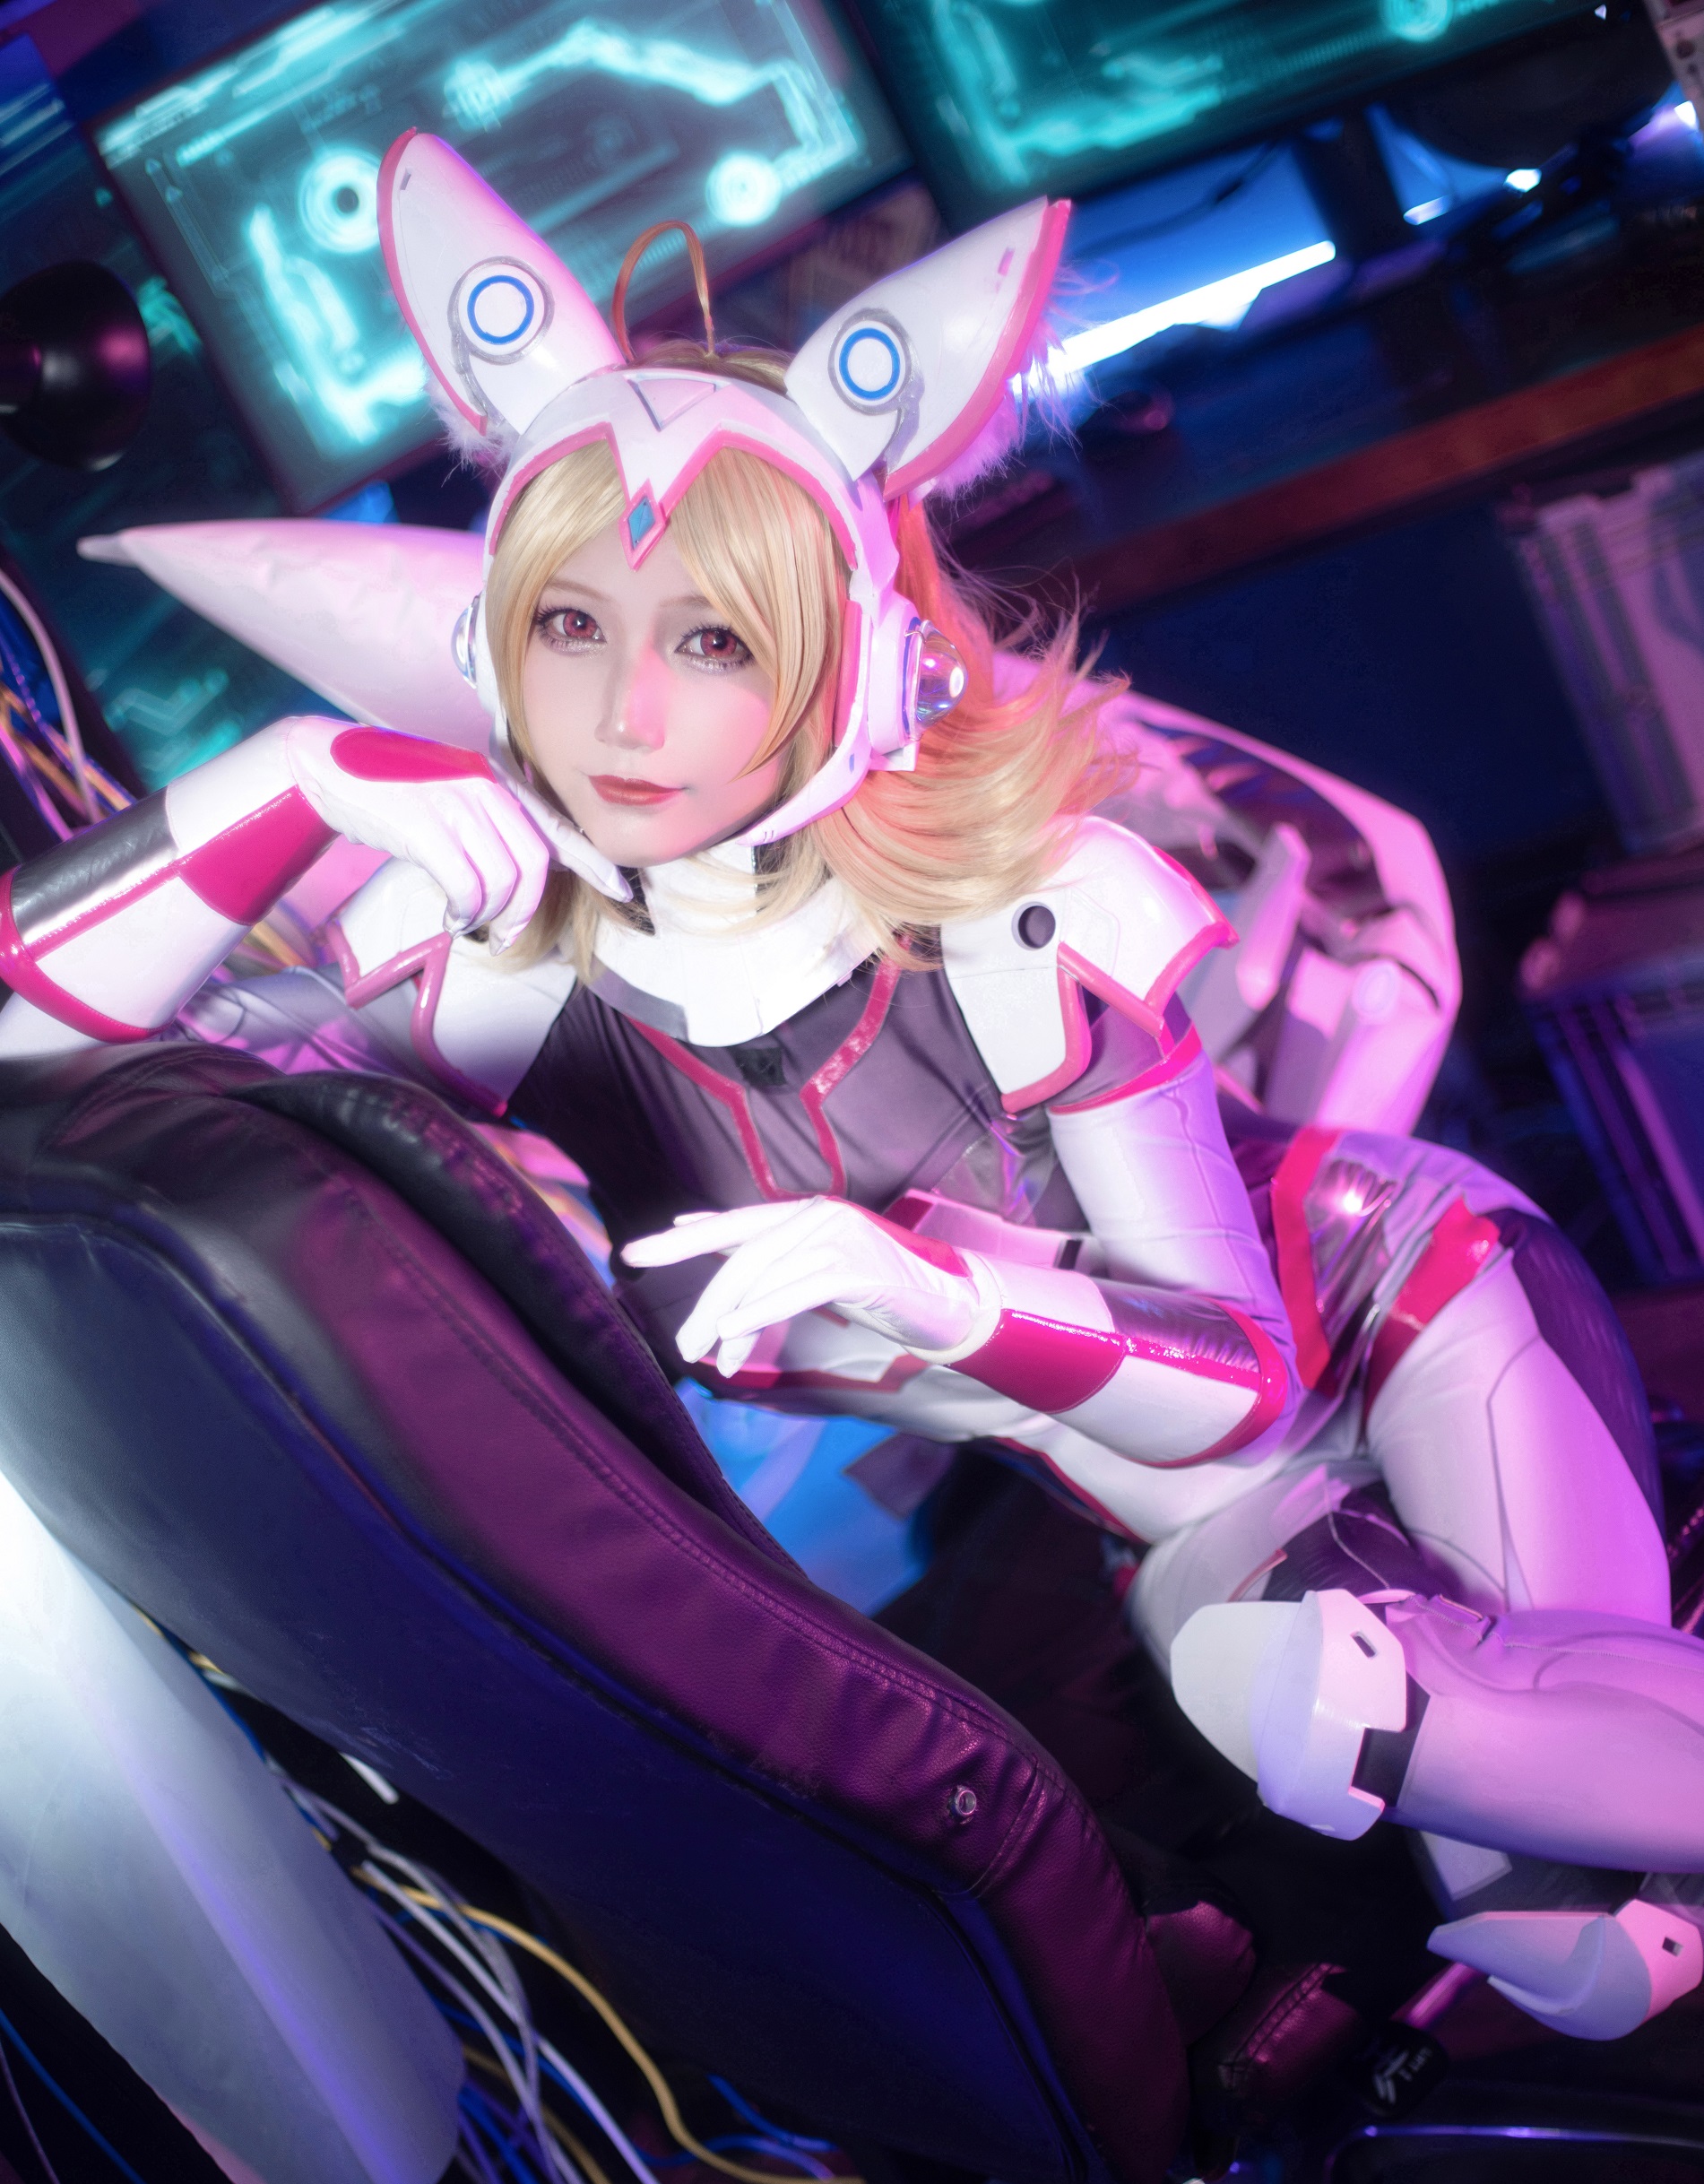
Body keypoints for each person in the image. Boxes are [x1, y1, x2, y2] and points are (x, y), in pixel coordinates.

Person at [2, 134, 1700, 2052]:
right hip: (1200, 1527)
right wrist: (284, 782)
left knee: (1524, 1874)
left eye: (713, 641)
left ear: (847, 665)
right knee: (1565, 1950)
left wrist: (925, 1286)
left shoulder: (1018, 913)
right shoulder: (494, 960)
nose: (628, 713)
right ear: (492, 641)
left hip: (1409, 1317)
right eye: (572, 626)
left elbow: (1243, 1370)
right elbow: (28, 1063)